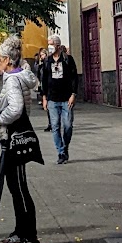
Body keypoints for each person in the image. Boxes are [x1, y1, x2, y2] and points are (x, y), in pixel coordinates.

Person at [0, 34, 44, 243]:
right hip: (16, 137)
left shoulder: (12, 79)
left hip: (15, 137)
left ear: (7, 60)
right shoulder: (18, 76)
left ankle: (30, 238)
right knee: (14, 185)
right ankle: (20, 231)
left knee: (19, 187)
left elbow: (15, 108)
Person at [39, 34, 78, 165]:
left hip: (66, 98)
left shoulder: (67, 59)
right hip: (52, 99)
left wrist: (73, 94)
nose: (49, 47)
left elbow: (74, 78)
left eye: (51, 44)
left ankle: (65, 146)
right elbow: (43, 80)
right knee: (55, 126)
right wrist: (44, 97)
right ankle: (61, 152)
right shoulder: (46, 61)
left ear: (57, 45)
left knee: (68, 126)